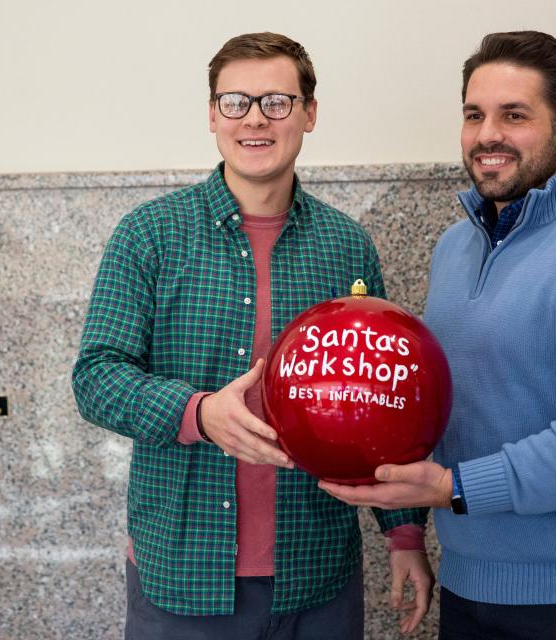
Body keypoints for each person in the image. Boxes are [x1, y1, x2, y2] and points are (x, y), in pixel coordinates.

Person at [320, 31, 556, 639]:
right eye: (475, 114)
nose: (487, 134)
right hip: (475, 587)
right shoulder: (456, 247)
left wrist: (456, 488)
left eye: (514, 115)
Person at [72, 32, 433, 640]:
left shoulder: (347, 247)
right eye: (236, 102)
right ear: (213, 115)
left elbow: (384, 403)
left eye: (277, 102)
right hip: (184, 573)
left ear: (309, 114)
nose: (255, 119)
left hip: (317, 574)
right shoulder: (149, 235)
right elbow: (96, 377)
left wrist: (403, 534)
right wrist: (200, 412)